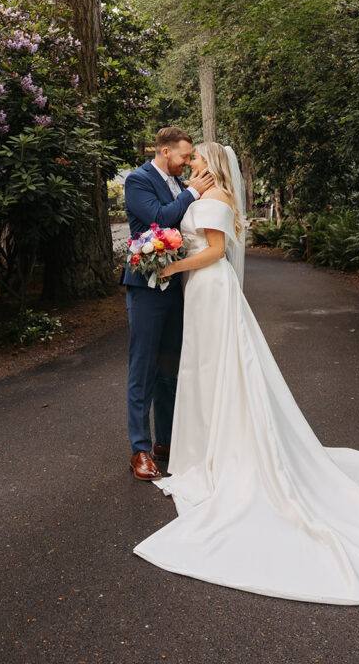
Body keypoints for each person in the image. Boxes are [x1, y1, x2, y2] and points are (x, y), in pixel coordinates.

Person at [133, 142, 359, 605]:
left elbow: (216, 252)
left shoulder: (216, 199)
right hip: (196, 293)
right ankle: (201, 450)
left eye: (198, 156)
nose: (192, 162)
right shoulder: (198, 195)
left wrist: (171, 265)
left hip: (209, 287)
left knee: (222, 369)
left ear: (214, 165)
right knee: (202, 369)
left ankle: (229, 451)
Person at [122, 126, 213, 481]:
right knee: (143, 366)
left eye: (190, 157)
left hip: (177, 287)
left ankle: (167, 441)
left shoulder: (180, 183)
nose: (187, 162)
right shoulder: (137, 180)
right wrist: (191, 192)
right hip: (146, 286)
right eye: (184, 156)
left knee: (170, 367)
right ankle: (140, 450)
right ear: (163, 151)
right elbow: (159, 218)